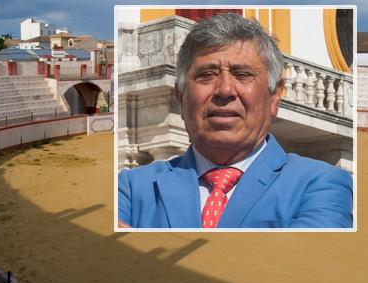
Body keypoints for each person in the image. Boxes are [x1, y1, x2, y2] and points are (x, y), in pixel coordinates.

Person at [117, 13, 353, 229]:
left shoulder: (321, 185)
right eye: (207, 74)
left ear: (274, 97)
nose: (225, 90)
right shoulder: (131, 188)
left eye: (243, 74)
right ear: (181, 96)